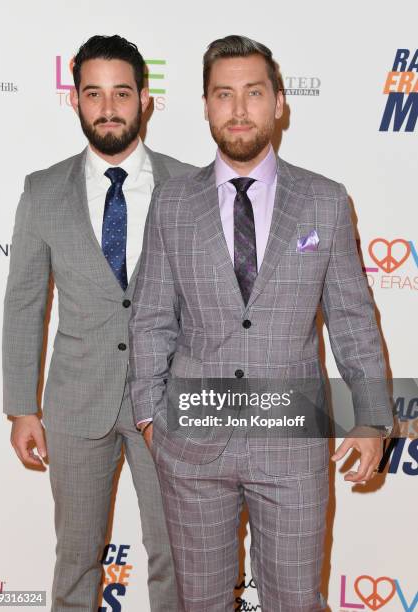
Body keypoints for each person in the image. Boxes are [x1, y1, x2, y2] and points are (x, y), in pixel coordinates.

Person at [128, 35, 393, 611]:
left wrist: (372, 417)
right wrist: (151, 418)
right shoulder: (173, 203)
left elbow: (351, 317)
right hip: (192, 442)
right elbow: (150, 318)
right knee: (199, 604)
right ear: (205, 105)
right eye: (224, 94)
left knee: (296, 602)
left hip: (290, 443)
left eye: (254, 92)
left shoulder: (324, 201)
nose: (240, 109)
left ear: (279, 103)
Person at [3, 34, 194, 612]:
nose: (108, 107)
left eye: (121, 93)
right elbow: (23, 303)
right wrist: (21, 408)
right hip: (74, 402)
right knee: (75, 561)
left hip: (170, 405)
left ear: (145, 100)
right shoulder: (42, 191)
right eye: (93, 93)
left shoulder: (189, 186)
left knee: (178, 563)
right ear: (75, 100)